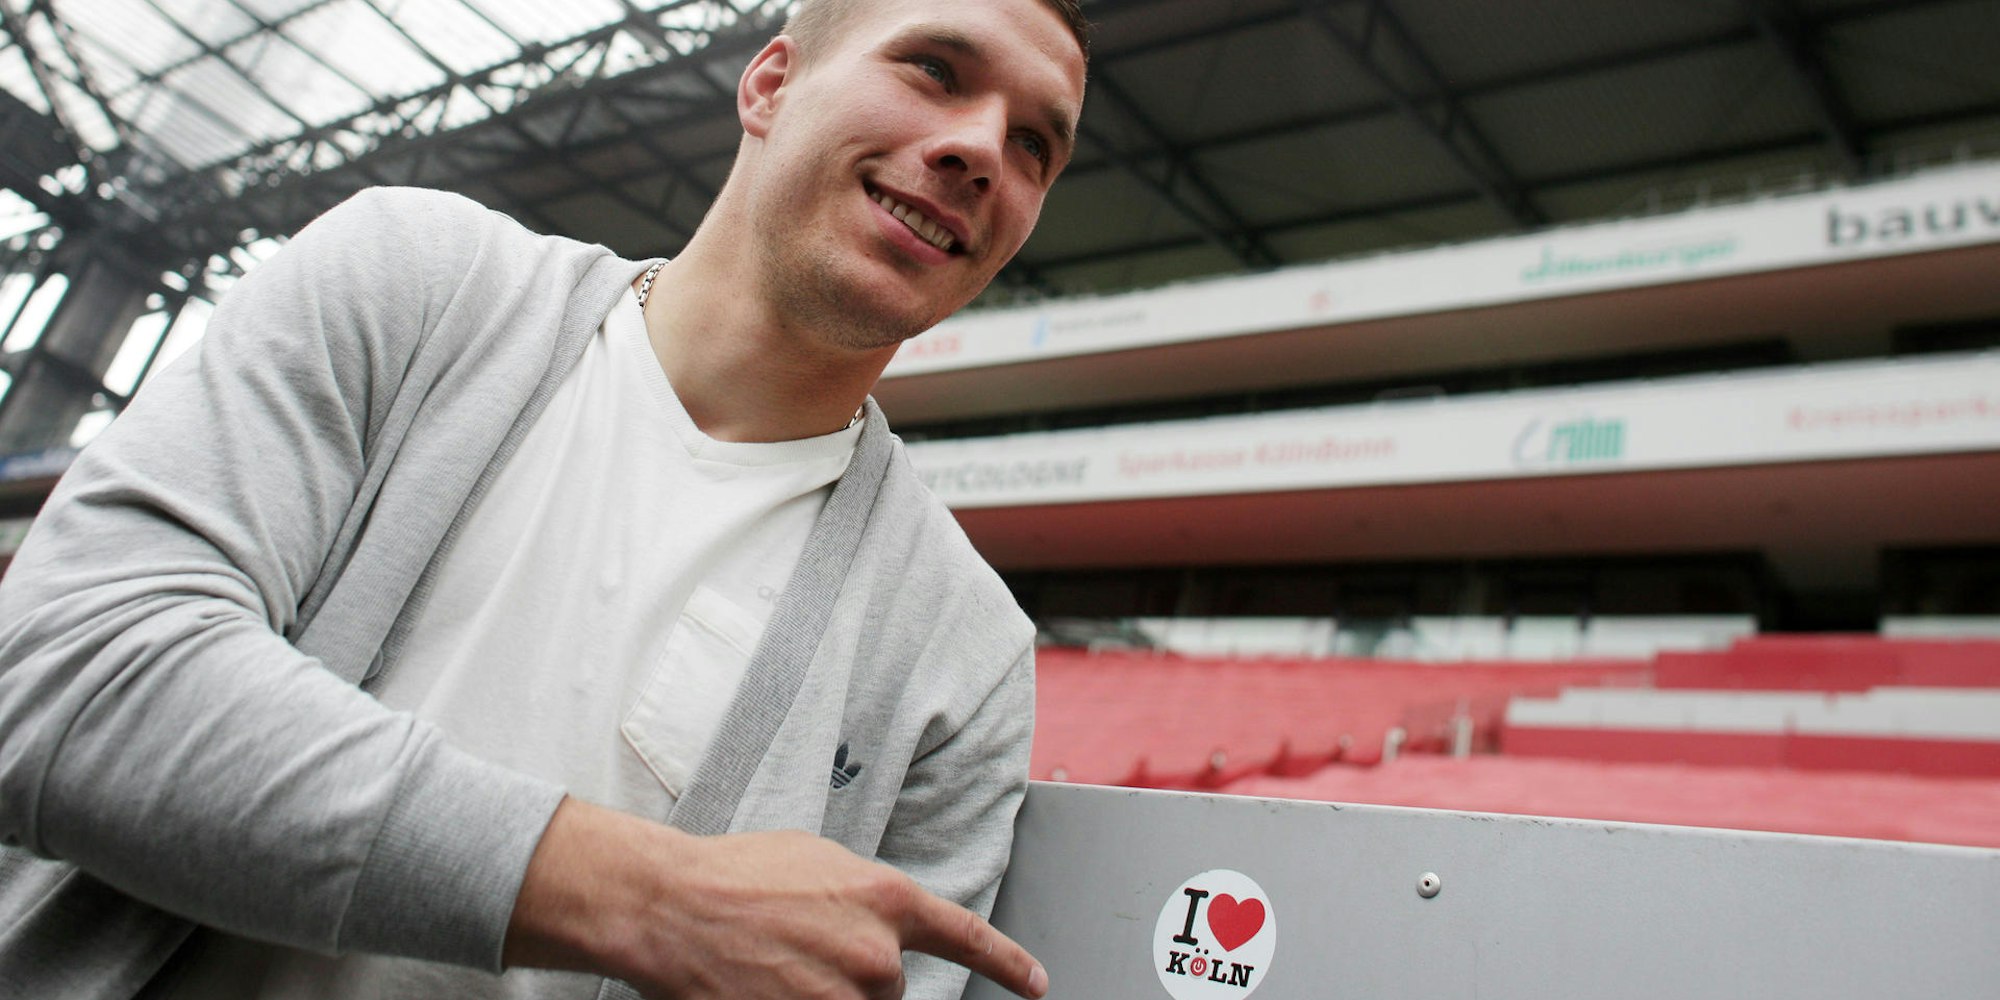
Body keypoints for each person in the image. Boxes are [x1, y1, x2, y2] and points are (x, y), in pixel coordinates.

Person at [0, 0, 1088, 997]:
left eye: (1036, 142)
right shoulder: (416, 280)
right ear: (768, 86)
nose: (984, 150)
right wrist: (646, 895)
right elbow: (64, 672)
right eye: (934, 70)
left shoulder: (966, 650)